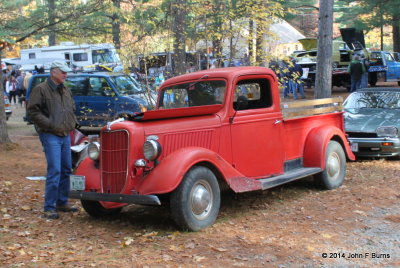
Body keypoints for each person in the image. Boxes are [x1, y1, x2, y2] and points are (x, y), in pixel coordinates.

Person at [27, 60, 79, 220]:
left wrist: (73, 123)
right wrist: (49, 125)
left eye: (66, 72)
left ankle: (62, 202)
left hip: (65, 133)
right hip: (50, 134)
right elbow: (32, 112)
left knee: (66, 169)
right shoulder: (41, 89)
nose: (65, 74)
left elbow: (71, 109)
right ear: (53, 72)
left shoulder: (65, 90)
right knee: (55, 170)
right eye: (62, 72)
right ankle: (49, 207)